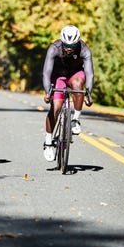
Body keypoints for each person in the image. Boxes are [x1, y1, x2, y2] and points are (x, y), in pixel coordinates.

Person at [42, 25, 94, 161]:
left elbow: (89, 73)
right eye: (66, 45)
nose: (69, 48)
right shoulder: (54, 48)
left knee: (78, 85)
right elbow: (46, 73)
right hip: (57, 76)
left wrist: (88, 93)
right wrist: (48, 92)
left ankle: (75, 120)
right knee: (56, 107)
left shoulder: (85, 50)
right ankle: (48, 141)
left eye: (73, 45)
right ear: (62, 42)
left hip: (74, 74)